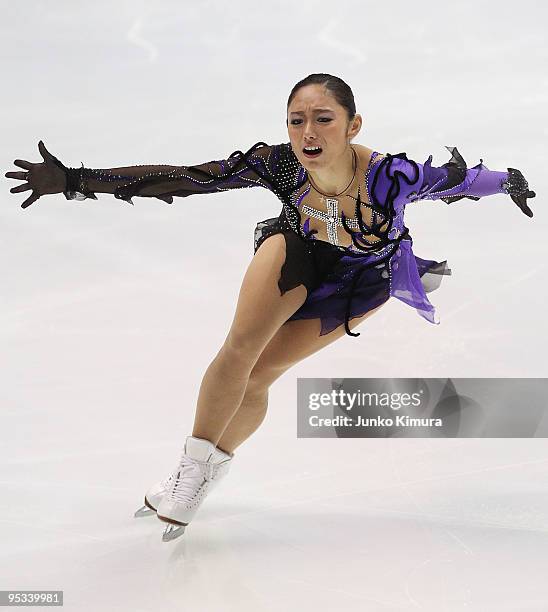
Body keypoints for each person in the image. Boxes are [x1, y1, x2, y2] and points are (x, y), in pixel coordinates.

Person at [5, 73, 536, 542]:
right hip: (297, 253)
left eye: (324, 119)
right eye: (296, 120)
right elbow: (189, 178)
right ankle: (190, 470)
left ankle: (209, 469)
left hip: (361, 279)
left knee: (258, 378)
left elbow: (456, 180)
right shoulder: (279, 166)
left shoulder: (388, 178)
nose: (309, 132)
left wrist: (508, 182)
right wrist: (77, 180)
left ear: (352, 125)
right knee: (239, 350)